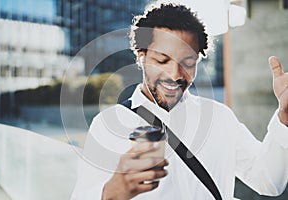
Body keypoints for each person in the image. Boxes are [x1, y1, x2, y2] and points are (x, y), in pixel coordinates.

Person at [71, 3, 288, 200]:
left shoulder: (219, 117)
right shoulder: (108, 124)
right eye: (162, 60)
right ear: (141, 56)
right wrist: (110, 194)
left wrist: (284, 116)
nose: (175, 74)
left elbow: (268, 181)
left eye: (187, 62)